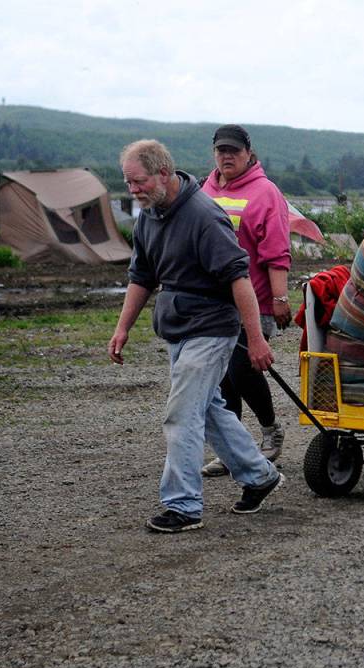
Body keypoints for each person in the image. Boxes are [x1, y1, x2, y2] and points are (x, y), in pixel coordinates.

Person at [109, 139, 284, 533]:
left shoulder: (205, 216)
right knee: (208, 410)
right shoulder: (149, 215)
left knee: (181, 415)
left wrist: (256, 339)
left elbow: (239, 279)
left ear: (163, 173)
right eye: (128, 183)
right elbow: (142, 277)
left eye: (138, 182)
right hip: (178, 327)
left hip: (212, 327)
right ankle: (260, 476)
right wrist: (122, 328)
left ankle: (183, 505)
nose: (133, 191)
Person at [199, 125, 291, 478]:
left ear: (249, 152)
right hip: (213, 304)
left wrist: (280, 298)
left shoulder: (266, 193)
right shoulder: (204, 190)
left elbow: (276, 251)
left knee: (244, 369)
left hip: (255, 301)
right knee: (222, 380)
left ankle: (271, 430)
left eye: (233, 151)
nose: (227, 157)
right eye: (221, 150)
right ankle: (232, 449)